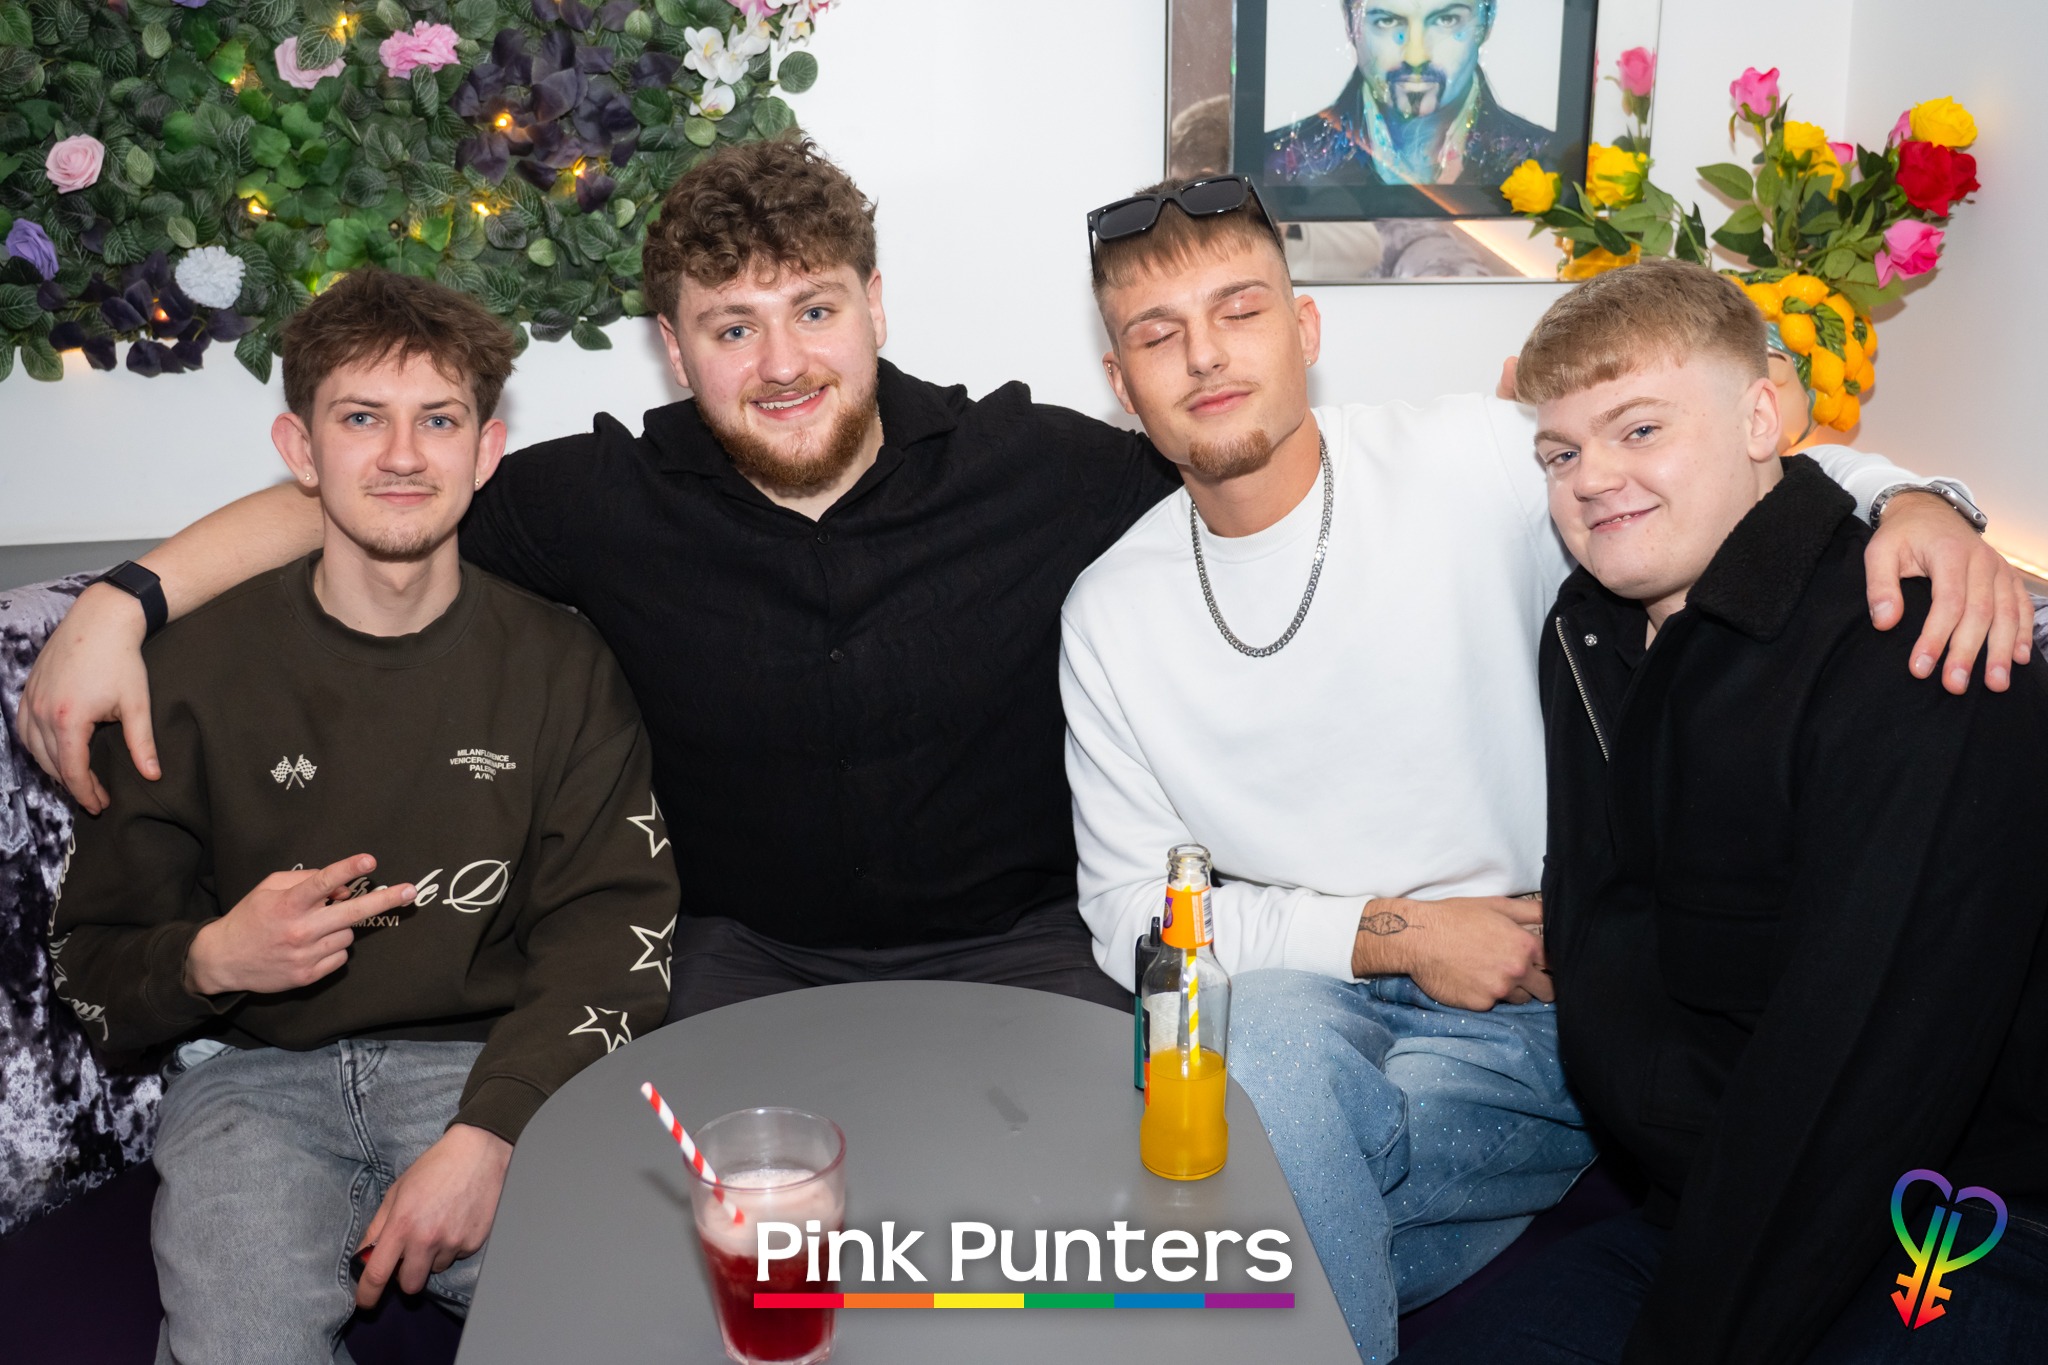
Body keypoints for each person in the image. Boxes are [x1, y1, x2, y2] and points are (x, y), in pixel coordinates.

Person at [18, 138, 2030, 1025]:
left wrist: (1911, 494)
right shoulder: (597, 501)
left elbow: (1622, 457)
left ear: (875, 306)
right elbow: (367, 497)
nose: (779, 358)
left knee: (1095, 1248)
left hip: (1029, 948)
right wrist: (125, 597)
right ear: (671, 347)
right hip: (735, 958)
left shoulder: (1057, 468)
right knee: (685, 1238)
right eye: (729, 325)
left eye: (812, 307)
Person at [1061, 177, 2032, 1363]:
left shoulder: (1473, 460)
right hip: (1310, 1001)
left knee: (1236, 1214)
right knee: (1252, 1054)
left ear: (1304, 330)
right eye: (1157, 334)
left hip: (1538, 1011)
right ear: (1120, 384)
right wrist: (1397, 935)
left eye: (1239, 310)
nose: (1205, 356)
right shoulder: (1109, 611)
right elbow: (1127, 913)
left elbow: (1709, 465)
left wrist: (1919, 505)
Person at [1401, 257, 2048, 1365]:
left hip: (1952, 1228)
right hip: (1702, 1203)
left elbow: (1856, 1080)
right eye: (1560, 453)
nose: (1592, 478)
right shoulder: (1589, 633)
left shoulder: (1916, 650)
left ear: (1760, 419)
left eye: (1640, 429)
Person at [47, 269, 679, 1362]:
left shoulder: (562, 662)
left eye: (438, 420)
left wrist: (492, 1132)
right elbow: (91, 966)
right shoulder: (187, 674)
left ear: (485, 451)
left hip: (482, 1065)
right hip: (246, 1085)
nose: (401, 455)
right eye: (360, 419)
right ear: (300, 451)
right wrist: (212, 958)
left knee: (634, 1318)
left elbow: (614, 931)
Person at [1266, 0, 1552, 187]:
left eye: (1447, 20)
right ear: (1350, 23)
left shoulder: (1546, 163)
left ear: (1486, 22)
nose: (1416, 56)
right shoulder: (1278, 164)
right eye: (1387, 21)